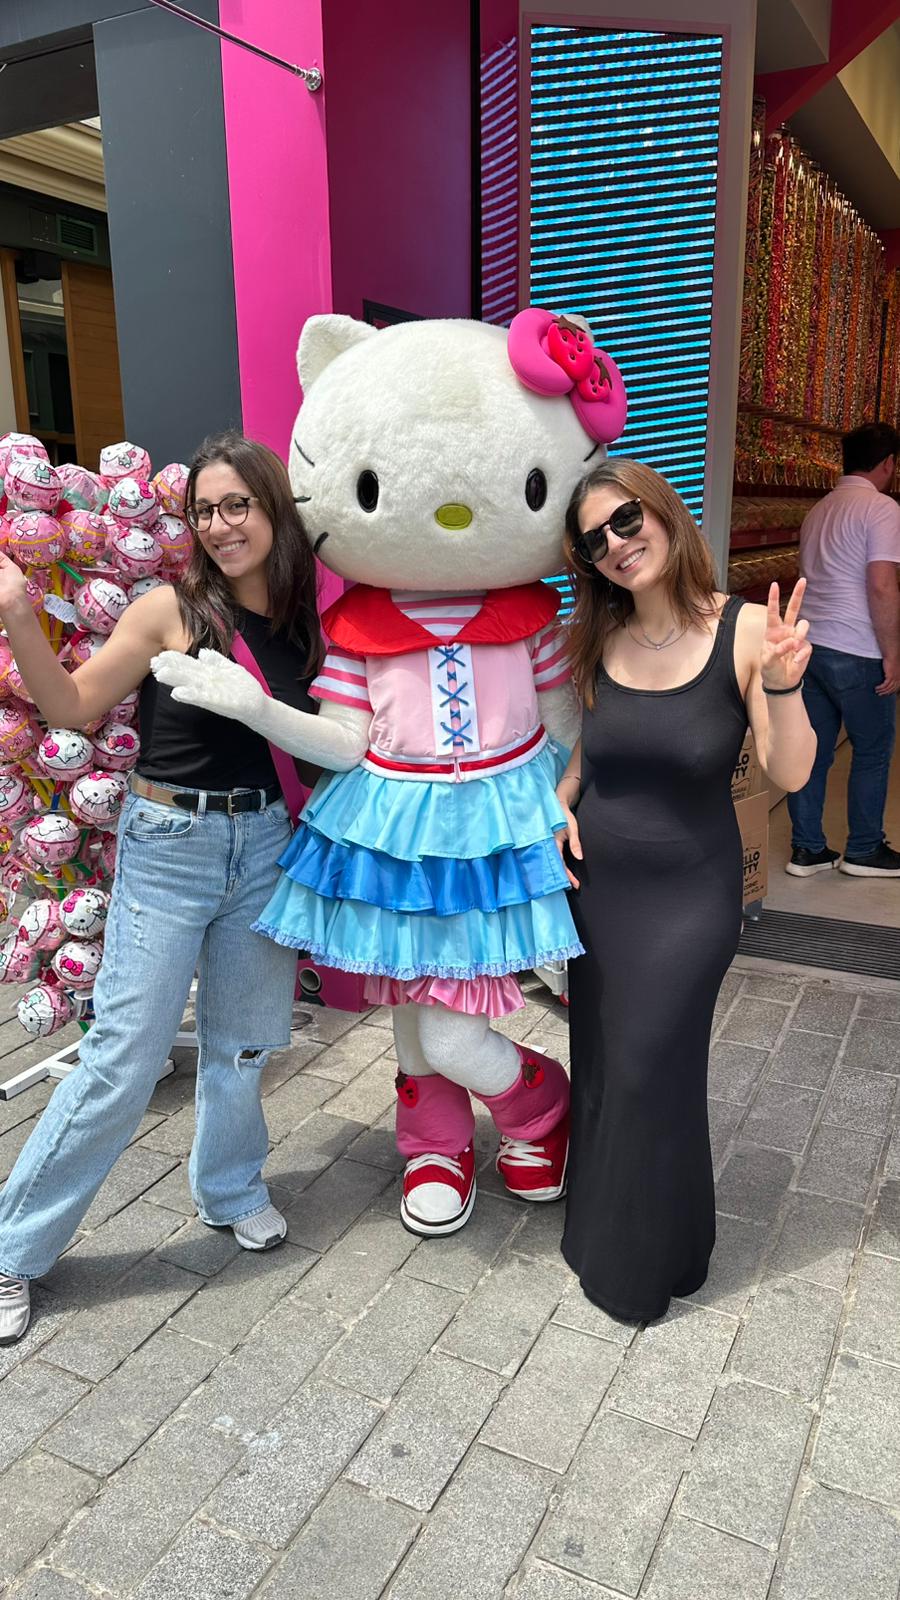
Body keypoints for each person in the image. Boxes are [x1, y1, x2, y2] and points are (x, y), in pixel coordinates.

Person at [0, 432, 322, 1345]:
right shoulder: (170, 609)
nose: (220, 525)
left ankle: (231, 1188)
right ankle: (13, 1249)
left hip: (265, 844)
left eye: (238, 505)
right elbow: (69, 707)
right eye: (205, 510)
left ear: (274, 510)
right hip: (170, 843)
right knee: (124, 1057)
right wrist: (18, 610)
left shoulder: (306, 621)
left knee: (244, 1043)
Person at [555, 459, 815, 1323]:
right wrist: (558, 806)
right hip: (599, 889)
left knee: (645, 1066)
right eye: (593, 541)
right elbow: (593, 753)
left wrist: (784, 683)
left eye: (625, 521)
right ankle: (637, 1240)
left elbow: (788, 770)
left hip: (691, 899)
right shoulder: (600, 634)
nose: (615, 545)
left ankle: (632, 1272)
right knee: (604, 1063)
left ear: (662, 512)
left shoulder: (745, 630)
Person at [786, 421, 900, 879]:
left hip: (811, 646)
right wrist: (892, 653)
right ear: (888, 463)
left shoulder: (819, 510)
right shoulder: (881, 509)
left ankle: (807, 849)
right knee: (872, 749)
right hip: (857, 648)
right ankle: (864, 849)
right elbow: (882, 584)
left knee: (812, 752)